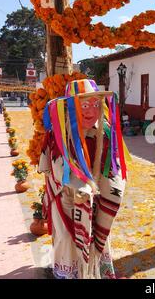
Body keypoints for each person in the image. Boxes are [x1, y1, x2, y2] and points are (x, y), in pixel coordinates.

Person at [38, 79, 130, 279]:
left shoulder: (105, 131)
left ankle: (96, 274)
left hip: (96, 199)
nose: (90, 111)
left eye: (95, 104)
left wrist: (112, 187)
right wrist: (82, 188)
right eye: (84, 105)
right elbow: (57, 168)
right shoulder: (59, 134)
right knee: (66, 240)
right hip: (66, 200)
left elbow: (113, 165)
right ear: (70, 107)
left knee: (98, 240)